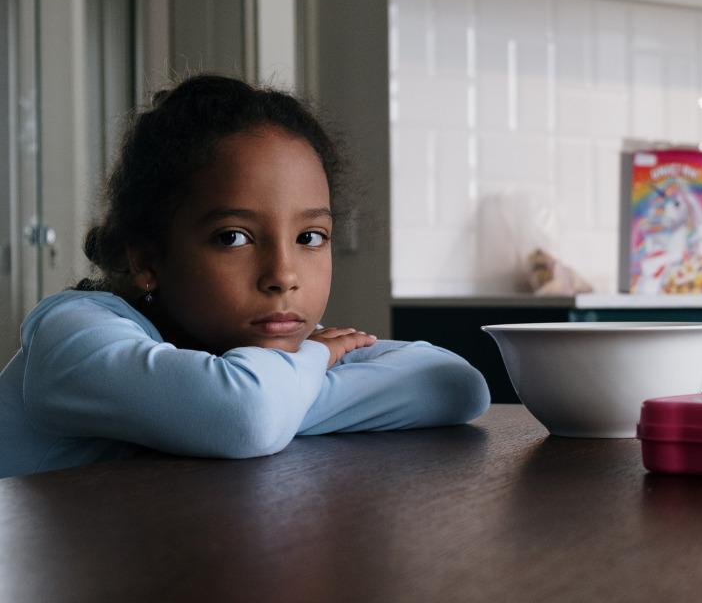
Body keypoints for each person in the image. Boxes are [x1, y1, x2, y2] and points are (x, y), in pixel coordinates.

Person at [0, 74, 490, 478]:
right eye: (233, 237)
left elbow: (454, 383)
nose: (283, 274)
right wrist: (307, 365)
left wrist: (280, 393)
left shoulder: (251, 347)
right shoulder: (70, 335)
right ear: (148, 260)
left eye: (310, 237)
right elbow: (248, 417)